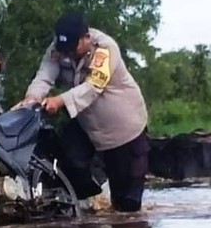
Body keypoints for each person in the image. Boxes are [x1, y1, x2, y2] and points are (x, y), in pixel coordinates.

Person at [14, 11, 150, 212]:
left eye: (71, 49)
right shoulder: (58, 49)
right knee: (68, 159)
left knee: (126, 207)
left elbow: (94, 86)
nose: (66, 54)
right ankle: (90, 212)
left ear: (86, 37)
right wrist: (31, 99)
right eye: (63, 49)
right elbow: (44, 76)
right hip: (88, 124)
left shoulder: (105, 49)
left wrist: (59, 101)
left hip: (124, 130)